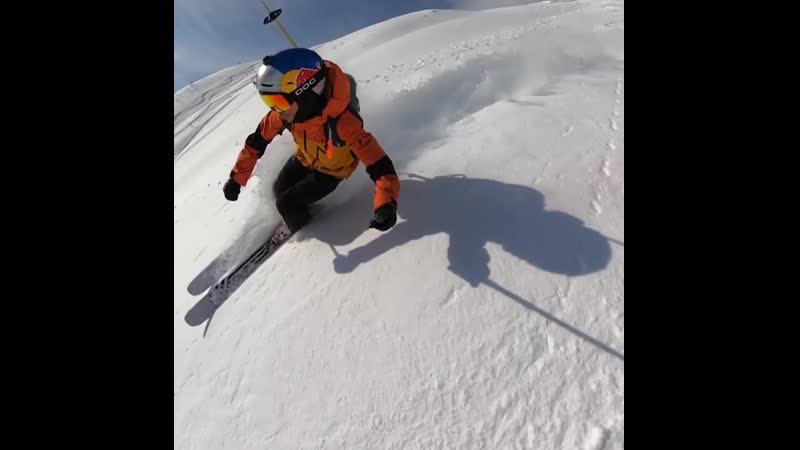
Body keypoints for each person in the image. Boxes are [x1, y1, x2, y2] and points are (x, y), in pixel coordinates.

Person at [222, 48, 400, 234]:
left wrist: (385, 205)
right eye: (270, 102)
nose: (277, 110)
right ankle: (301, 210)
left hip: (331, 172)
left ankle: (299, 226)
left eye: (279, 102)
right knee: (278, 188)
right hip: (305, 158)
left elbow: (381, 166)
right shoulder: (286, 115)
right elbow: (256, 142)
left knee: (285, 203)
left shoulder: (343, 123)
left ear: (305, 93)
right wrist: (236, 178)